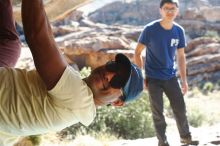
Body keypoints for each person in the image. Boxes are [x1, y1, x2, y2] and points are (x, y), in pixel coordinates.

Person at [0, 0, 144, 145]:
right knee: (11, 46)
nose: (109, 75)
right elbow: (49, 39)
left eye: (118, 81)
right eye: (114, 67)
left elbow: (37, 36)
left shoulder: (79, 99)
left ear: (117, 102)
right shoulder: (81, 99)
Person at [134, 0, 196, 146]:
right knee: (158, 113)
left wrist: (184, 80)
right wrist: (141, 77)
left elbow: (181, 56)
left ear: (177, 11)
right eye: (166, 8)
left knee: (180, 109)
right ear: (160, 10)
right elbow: (137, 53)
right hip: (153, 78)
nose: (169, 11)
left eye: (172, 8)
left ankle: (185, 139)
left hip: (171, 77)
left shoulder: (179, 30)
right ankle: (162, 142)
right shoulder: (150, 29)